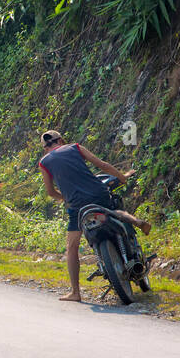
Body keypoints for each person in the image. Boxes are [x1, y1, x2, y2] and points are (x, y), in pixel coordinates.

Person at [38, 129, 152, 303]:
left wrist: (64, 198)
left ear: (45, 148)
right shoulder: (75, 147)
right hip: (98, 194)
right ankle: (136, 221)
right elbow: (103, 166)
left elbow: (50, 192)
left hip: (77, 206)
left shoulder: (44, 162)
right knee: (114, 211)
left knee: (72, 248)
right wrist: (122, 177)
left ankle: (75, 292)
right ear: (61, 140)